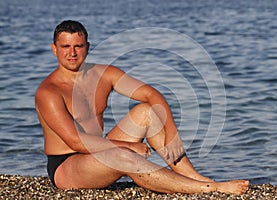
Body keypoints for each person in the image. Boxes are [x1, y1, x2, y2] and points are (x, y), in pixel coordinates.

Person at [35, 20, 249, 194]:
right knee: (126, 157)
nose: (72, 53)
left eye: (78, 46)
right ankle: (208, 189)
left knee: (148, 111)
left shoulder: (104, 74)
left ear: (87, 48)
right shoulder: (49, 92)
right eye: (65, 47)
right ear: (55, 49)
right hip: (67, 166)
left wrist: (172, 131)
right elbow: (75, 141)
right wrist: (126, 146)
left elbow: (151, 94)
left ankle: (195, 177)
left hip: (99, 153)